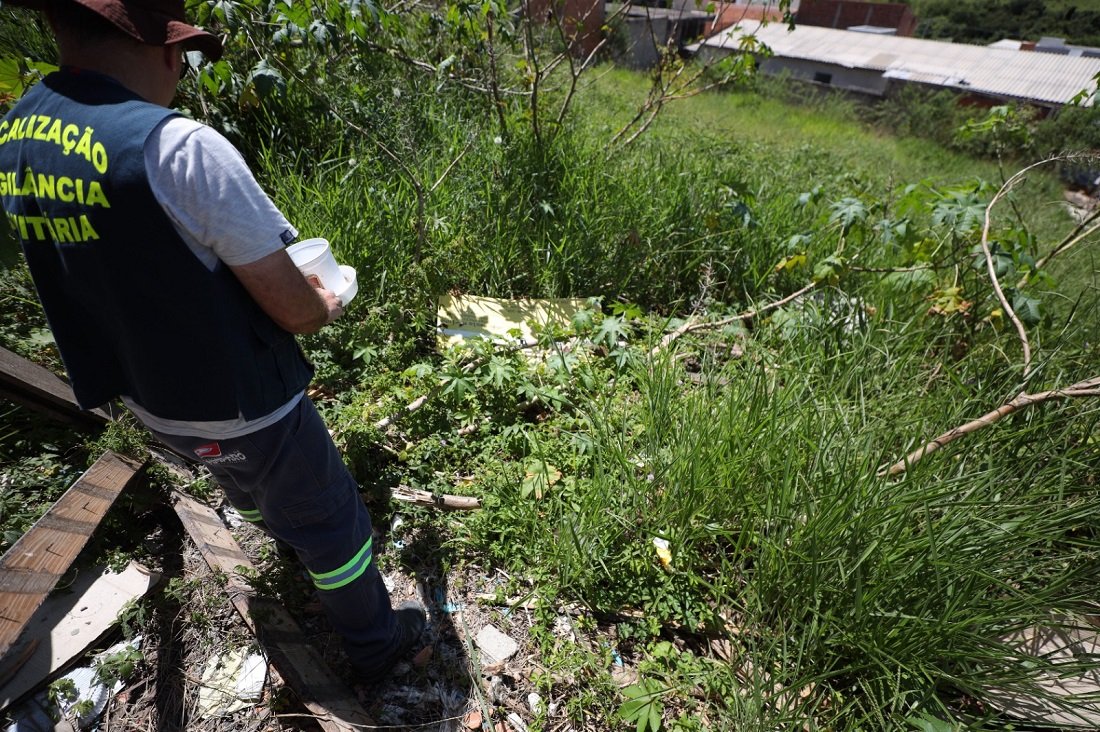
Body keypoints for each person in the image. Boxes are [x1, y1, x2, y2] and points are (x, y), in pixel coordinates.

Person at [0, 0, 424, 684]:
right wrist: (322, 302)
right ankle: (376, 644)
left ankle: (279, 533)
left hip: (147, 398)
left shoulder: (21, 128)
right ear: (166, 48)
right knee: (335, 525)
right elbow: (294, 310)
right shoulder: (177, 147)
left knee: (232, 469)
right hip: (243, 397)